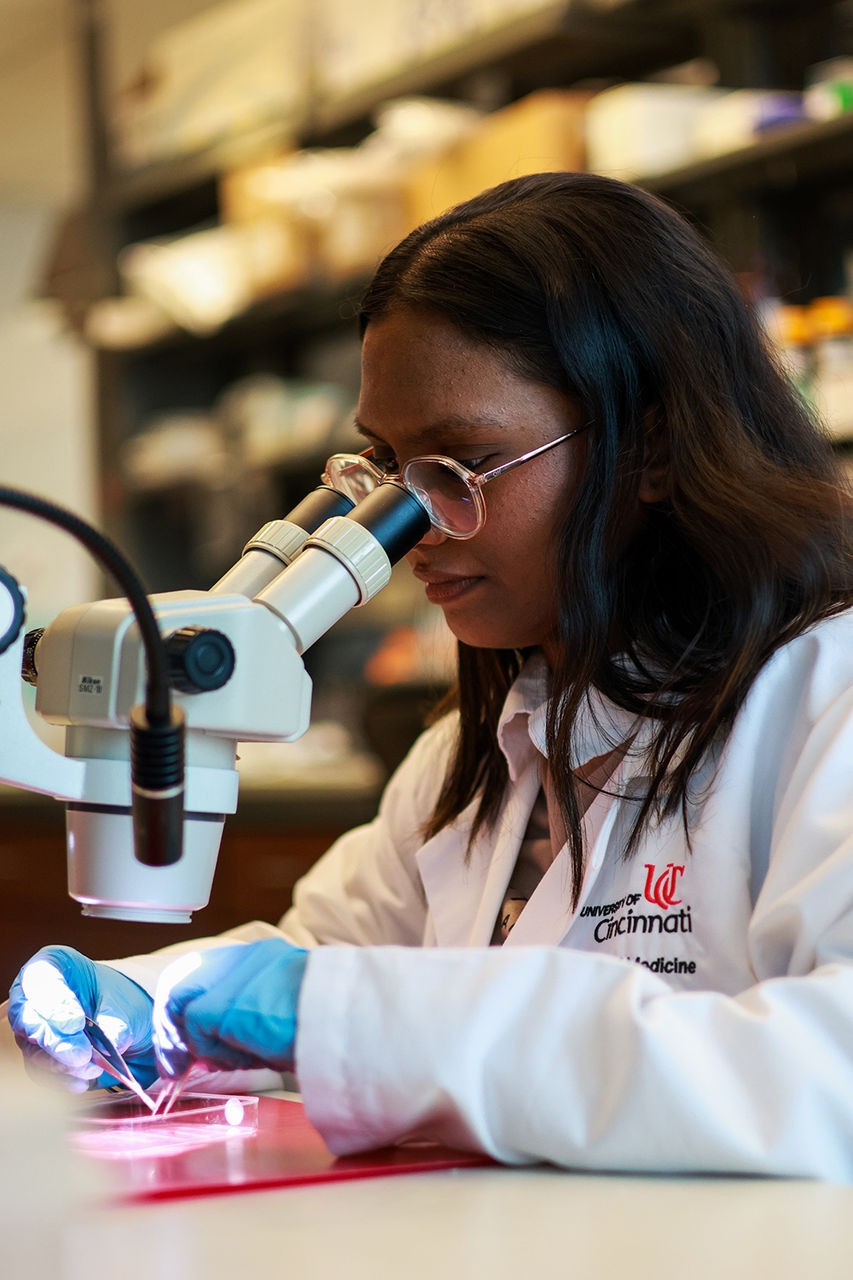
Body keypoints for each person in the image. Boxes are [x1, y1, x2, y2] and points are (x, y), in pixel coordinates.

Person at [8, 172, 853, 1179]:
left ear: (654, 446)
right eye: (385, 469)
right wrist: (142, 1002)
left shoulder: (825, 700)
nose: (410, 534)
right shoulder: (482, 747)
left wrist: (341, 1016)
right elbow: (318, 960)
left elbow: (822, 1074)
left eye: (461, 465)